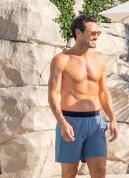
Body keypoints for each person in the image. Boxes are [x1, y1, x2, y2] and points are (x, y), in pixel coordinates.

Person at [48, 15, 118, 178]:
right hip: (70, 121)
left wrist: (112, 118)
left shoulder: (99, 59)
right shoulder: (61, 60)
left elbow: (103, 92)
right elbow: (53, 94)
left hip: (95, 122)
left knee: (100, 170)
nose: (96, 36)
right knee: (69, 173)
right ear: (78, 33)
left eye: (98, 33)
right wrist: (62, 122)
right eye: (93, 33)